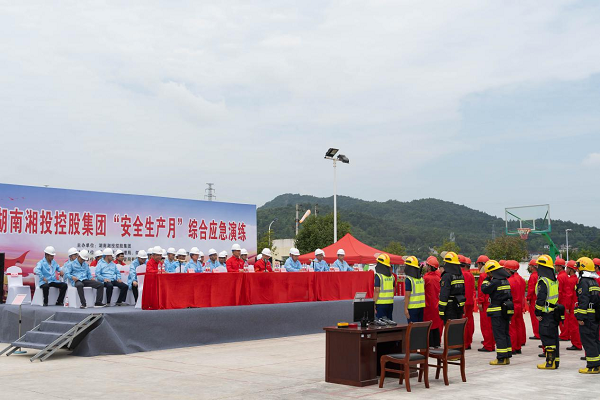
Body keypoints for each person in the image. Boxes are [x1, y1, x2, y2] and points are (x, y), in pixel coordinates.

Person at [481, 260, 514, 365]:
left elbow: (484, 289)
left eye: (488, 273)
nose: (488, 274)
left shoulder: (495, 281)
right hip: (505, 311)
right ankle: (507, 356)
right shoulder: (505, 281)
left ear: (492, 272)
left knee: (499, 335)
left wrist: (486, 279)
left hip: (497, 312)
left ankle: (501, 358)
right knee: (505, 333)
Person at [536, 254, 563, 370]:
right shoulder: (553, 280)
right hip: (553, 311)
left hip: (546, 313)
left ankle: (549, 363)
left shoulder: (543, 281)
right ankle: (555, 361)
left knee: (547, 337)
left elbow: (541, 298)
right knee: (554, 337)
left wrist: (537, 312)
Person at [574, 257, 600, 374]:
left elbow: (583, 300)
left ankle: (592, 366)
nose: (577, 270)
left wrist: (580, 317)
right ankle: (597, 364)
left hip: (587, 317)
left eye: (578, 268)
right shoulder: (594, 281)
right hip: (594, 315)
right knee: (594, 340)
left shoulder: (583, 282)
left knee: (588, 341)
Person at [505, 260, 526, 354]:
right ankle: (518, 347)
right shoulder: (521, 279)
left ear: (509, 270)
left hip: (512, 305)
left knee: (511, 327)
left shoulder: (509, 281)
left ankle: (513, 347)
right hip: (519, 305)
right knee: (518, 326)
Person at [439, 252, 466, 322]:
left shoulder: (446, 276)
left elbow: (444, 294)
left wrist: (441, 310)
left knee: (450, 328)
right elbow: (463, 291)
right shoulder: (460, 275)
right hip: (459, 305)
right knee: (457, 326)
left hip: (449, 308)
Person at [476, 255, 496, 352]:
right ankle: (491, 344)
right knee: (491, 325)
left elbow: (481, 290)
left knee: (485, 325)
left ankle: (488, 345)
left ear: (481, 264)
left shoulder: (483, 276)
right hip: (491, 301)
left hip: (485, 303)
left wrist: (480, 302)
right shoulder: (492, 275)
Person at [424, 256, 444, 347]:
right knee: (437, 324)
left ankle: (430, 343)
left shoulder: (426, 278)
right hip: (438, 304)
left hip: (428, 305)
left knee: (429, 324)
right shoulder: (439, 277)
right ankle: (437, 342)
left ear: (429, 267)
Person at [565, 260, 583, 351]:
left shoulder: (570, 280)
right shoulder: (577, 279)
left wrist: (567, 307)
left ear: (571, 269)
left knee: (573, 326)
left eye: (567, 268)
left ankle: (576, 344)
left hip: (572, 305)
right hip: (577, 304)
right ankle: (578, 343)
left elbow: (569, 295)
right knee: (577, 326)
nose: (566, 270)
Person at [403, 256, 425, 323]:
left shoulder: (409, 280)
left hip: (412, 308)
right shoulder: (421, 279)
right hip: (421, 307)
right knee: (419, 327)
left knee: (412, 327)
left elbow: (407, 295)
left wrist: (405, 309)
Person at [373, 253, 395, 320]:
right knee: (389, 322)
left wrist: (373, 304)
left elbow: (377, 291)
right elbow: (393, 290)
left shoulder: (378, 276)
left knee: (381, 323)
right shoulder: (392, 277)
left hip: (380, 304)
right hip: (390, 303)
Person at [461, 255, 476, 350]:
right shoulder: (470, 275)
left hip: (463, 302)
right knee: (469, 321)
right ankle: (468, 342)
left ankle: (464, 343)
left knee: (463, 322)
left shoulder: (461, 275)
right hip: (470, 301)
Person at [527, 259, 540, 340]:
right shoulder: (539, 275)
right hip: (538, 298)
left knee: (534, 317)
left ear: (532, 267)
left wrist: (528, 298)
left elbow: (531, 289)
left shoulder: (533, 276)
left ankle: (537, 334)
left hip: (533, 299)